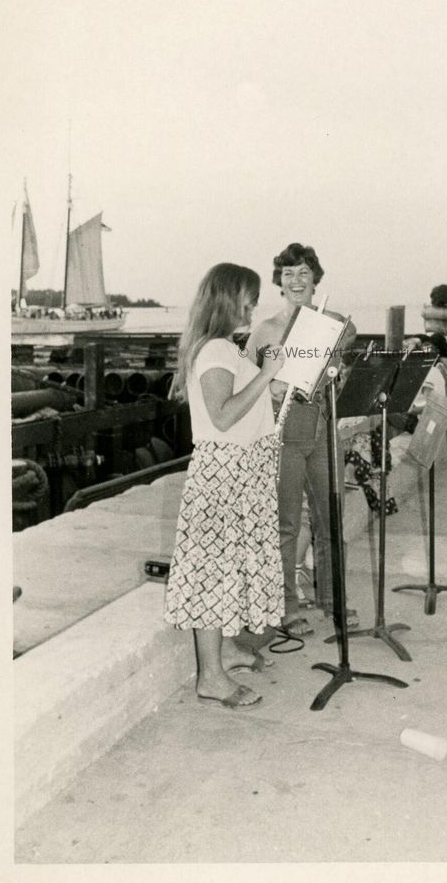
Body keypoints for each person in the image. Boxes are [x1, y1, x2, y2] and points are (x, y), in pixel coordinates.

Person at [164, 263, 285, 709]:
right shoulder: (215, 350)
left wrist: (268, 383)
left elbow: (245, 404)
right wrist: (267, 375)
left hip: (240, 472)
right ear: (228, 300)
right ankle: (210, 677)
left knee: (229, 566)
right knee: (214, 573)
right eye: (248, 299)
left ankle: (228, 650)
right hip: (223, 476)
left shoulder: (224, 348)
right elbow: (223, 415)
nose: (254, 306)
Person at [247, 242, 357, 638]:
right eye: (288, 274)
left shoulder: (334, 323)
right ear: (280, 281)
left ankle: (333, 599)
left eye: (303, 273)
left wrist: (338, 354)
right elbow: (244, 382)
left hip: (324, 429)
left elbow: (347, 346)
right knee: (286, 524)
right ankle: (285, 607)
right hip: (286, 433)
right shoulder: (267, 330)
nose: (296, 280)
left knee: (331, 518)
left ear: (315, 279)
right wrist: (269, 386)